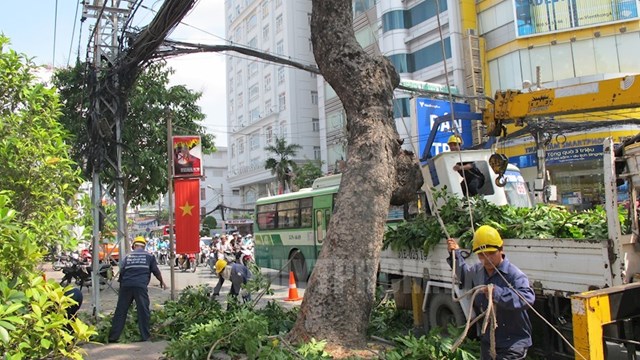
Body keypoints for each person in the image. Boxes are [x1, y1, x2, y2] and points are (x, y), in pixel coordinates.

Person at [447, 225, 535, 360]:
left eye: (491, 253)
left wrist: (497, 293)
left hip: (512, 342)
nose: (487, 258)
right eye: (482, 255)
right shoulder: (478, 271)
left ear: (501, 250)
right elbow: (465, 277)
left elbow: (527, 298)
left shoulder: (514, 275)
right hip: (489, 339)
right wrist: (456, 255)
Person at [109, 236, 166, 343]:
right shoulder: (149, 256)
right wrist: (162, 281)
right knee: (143, 311)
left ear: (133, 246)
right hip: (140, 286)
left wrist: (122, 291)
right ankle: (145, 336)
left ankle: (113, 337)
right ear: (144, 246)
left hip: (126, 285)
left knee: (120, 311)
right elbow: (156, 271)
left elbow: (122, 273)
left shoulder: (127, 256)